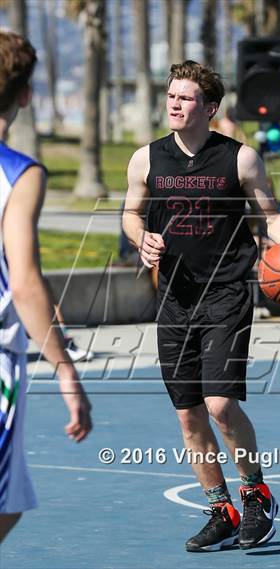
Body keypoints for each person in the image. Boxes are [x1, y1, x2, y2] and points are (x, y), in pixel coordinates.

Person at [122, 60, 280, 552]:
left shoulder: (240, 159)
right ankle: (219, 508)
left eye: (185, 98)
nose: (174, 104)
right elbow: (130, 213)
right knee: (189, 416)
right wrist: (141, 238)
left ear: (209, 108)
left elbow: (270, 217)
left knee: (221, 404)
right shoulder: (146, 159)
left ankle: (255, 494)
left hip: (226, 293)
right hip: (175, 299)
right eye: (171, 96)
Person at [0, 31, 92, 542]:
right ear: (26, 94)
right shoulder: (18, 173)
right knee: (4, 503)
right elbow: (26, 283)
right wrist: (66, 372)